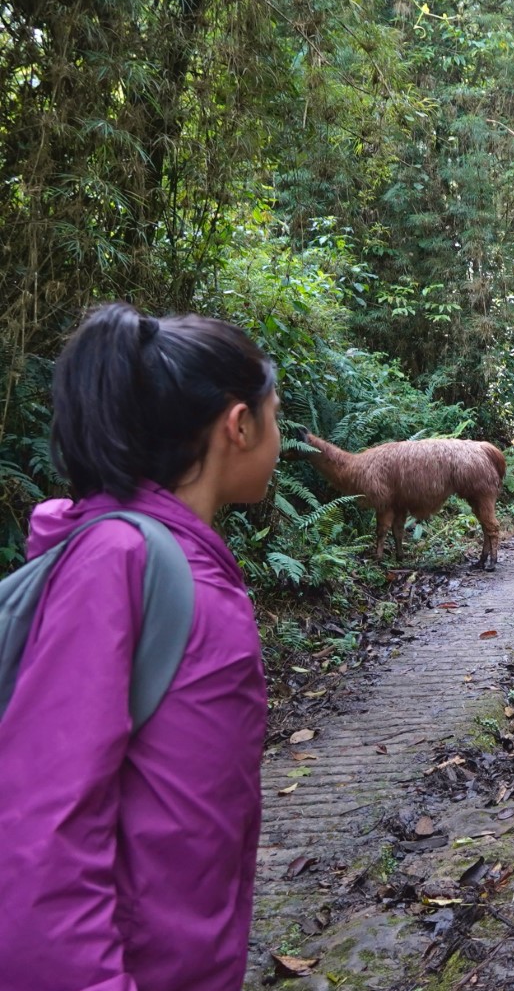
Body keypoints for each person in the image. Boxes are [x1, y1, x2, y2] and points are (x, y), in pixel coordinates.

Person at [0, 303, 281, 991]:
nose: (280, 436)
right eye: (275, 416)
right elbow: (44, 829)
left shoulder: (184, 559)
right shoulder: (117, 562)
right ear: (239, 425)